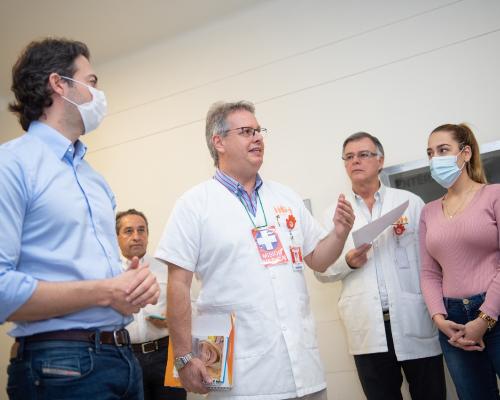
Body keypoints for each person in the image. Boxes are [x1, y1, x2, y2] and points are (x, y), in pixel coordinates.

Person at [155, 100, 355, 399]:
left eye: (259, 131)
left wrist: (339, 233)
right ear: (219, 142)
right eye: (246, 131)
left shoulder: (285, 197)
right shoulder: (194, 204)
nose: (258, 138)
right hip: (241, 377)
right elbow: (178, 286)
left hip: (303, 370)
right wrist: (184, 357)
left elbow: (318, 260)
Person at [0, 38, 160, 400]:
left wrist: (132, 287)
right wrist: (108, 291)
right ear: (59, 84)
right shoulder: (11, 165)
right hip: (60, 364)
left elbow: (104, 280)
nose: (98, 94)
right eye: (92, 81)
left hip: (122, 357)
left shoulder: (94, 180)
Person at [316, 132, 445, 400]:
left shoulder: (409, 203)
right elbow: (321, 270)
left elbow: (433, 261)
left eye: (363, 154)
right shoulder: (333, 214)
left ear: (380, 160)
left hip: (414, 317)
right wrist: (348, 262)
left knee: (431, 394)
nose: (355, 161)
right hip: (368, 328)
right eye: (349, 157)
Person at [420, 123, 500, 400]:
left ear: (465, 153)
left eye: (443, 150)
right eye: (430, 153)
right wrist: (439, 318)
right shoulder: (428, 212)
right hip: (452, 322)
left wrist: (485, 318)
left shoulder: (494, 195)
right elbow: (429, 272)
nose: (435, 158)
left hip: (495, 309)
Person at [116, 209, 187, 400]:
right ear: (117, 237)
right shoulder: (107, 272)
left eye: (141, 230)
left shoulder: (167, 267)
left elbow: (190, 305)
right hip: (124, 357)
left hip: (165, 355)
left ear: (147, 235)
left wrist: (172, 318)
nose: (136, 236)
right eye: (128, 231)